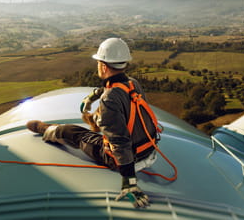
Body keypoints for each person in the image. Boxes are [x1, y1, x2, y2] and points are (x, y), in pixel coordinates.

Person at [26, 37, 159, 209]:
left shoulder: (110, 99)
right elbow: (113, 88)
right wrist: (92, 96)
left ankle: (46, 130)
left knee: (74, 133)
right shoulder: (133, 83)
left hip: (127, 160)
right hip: (149, 151)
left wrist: (129, 182)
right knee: (103, 120)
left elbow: (120, 141)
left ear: (103, 66)